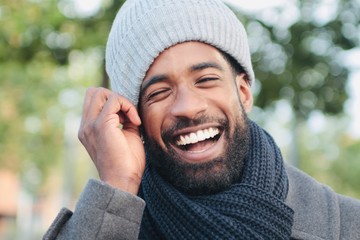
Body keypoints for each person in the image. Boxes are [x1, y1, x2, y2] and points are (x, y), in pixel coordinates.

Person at [44, 0, 360, 239]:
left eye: (206, 79)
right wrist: (118, 186)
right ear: (133, 120)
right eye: (159, 92)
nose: (188, 107)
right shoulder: (114, 221)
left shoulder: (346, 225)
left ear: (244, 91)